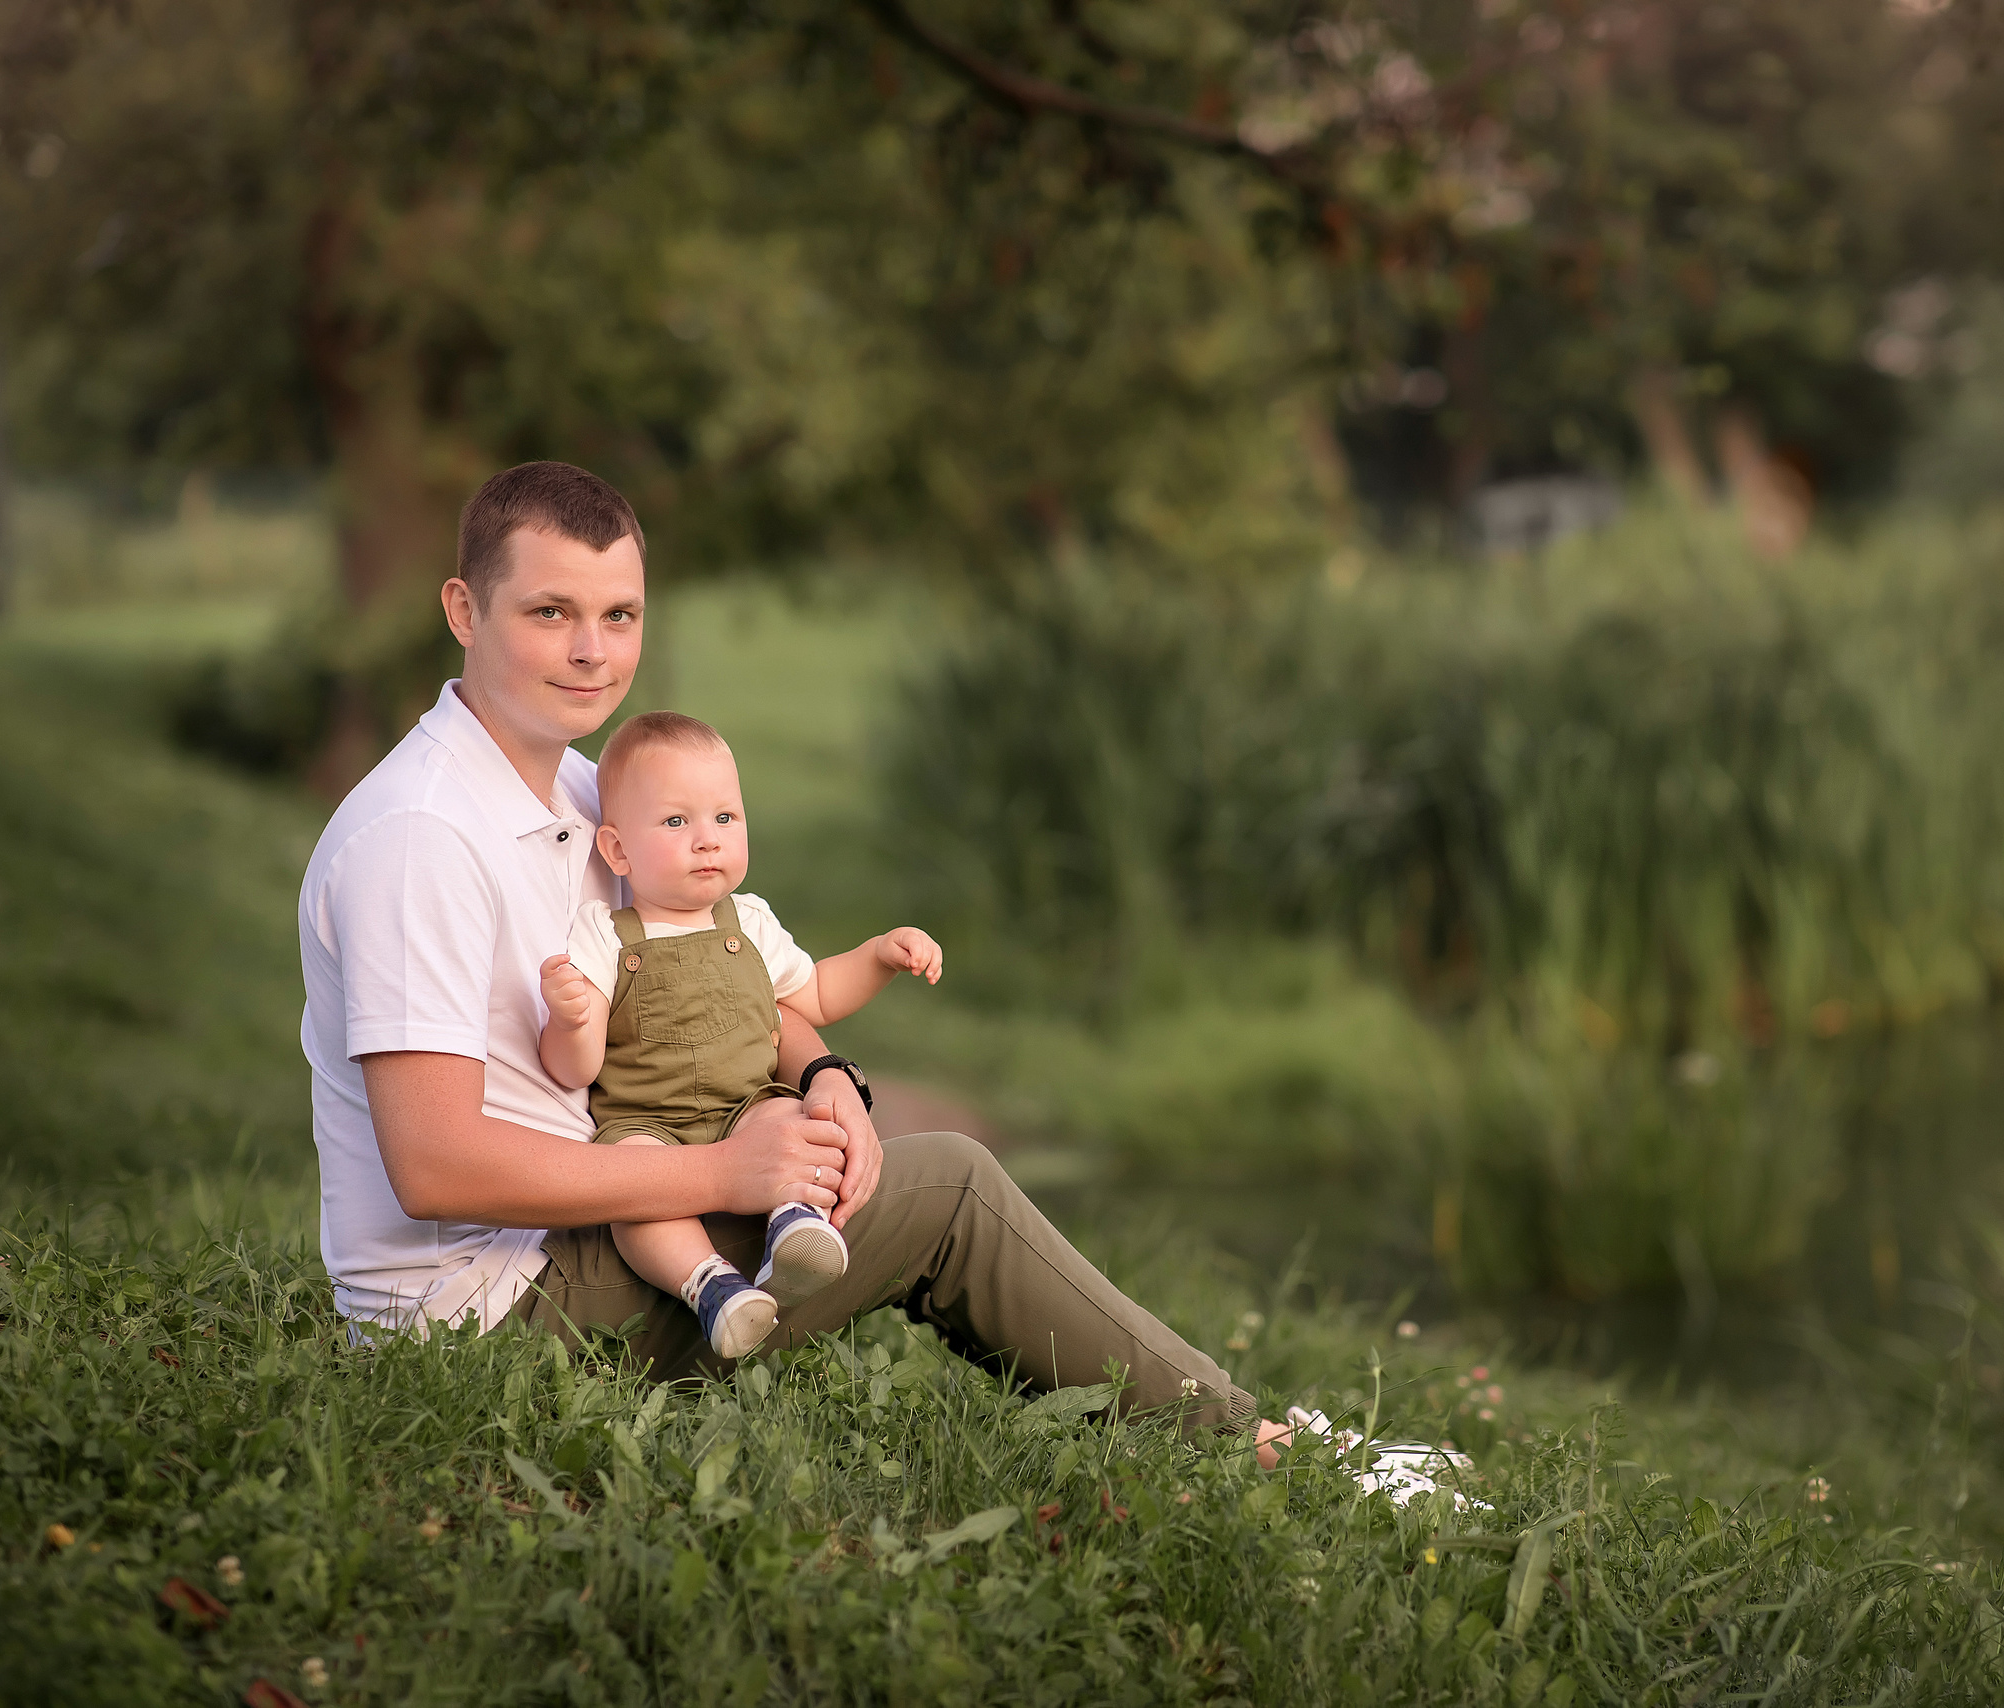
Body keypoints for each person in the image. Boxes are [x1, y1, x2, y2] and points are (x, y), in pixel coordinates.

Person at [297, 460, 1290, 1456]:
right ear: (464, 609)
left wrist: (823, 1078)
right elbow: (435, 1166)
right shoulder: (420, 836)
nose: (593, 652)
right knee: (946, 1189)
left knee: (891, 1166)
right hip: (478, 1321)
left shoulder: (594, 799)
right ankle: (1257, 1452)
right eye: (551, 612)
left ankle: (1215, 1439)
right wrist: (725, 1172)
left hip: (582, 1234)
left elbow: (714, 974)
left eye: (621, 615)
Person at [534, 708, 945, 1359]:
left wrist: (878, 957)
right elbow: (573, 1069)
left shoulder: (749, 922)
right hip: (648, 1124)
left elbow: (813, 994)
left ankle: (794, 1228)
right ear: (617, 850)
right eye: (677, 821)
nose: (707, 839)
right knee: (635, 1189)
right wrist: (572, 1018)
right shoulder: (604, 935)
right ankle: (713, 1289)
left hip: (744, 1106)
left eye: (725, 818)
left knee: (793, 1117)